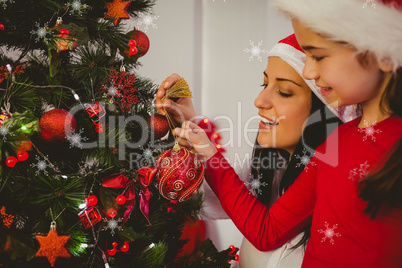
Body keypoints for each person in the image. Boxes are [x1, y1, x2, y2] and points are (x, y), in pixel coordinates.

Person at [170, 0, 402, 267]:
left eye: (319, 55)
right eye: (264, 83)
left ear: (382, 54)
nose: (309, 71)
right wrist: (202, 148)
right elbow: (265, 230)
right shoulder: (335, 143)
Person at [155, 34, 355, 267]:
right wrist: (186, 125)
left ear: (324, 113)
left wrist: (209, 154)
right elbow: (204, 200)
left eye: (284, 92)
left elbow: (264, 232)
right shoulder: (273, 167)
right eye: (265, 84)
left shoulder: (335, 189)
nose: (259, 100)